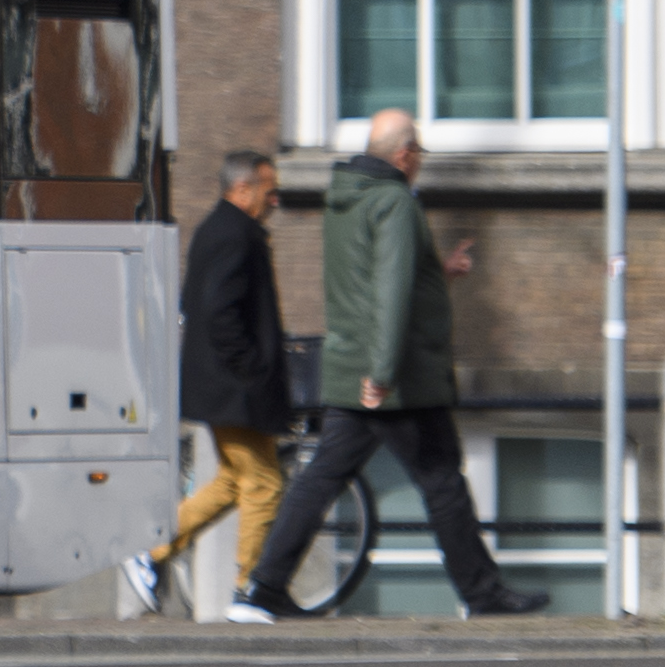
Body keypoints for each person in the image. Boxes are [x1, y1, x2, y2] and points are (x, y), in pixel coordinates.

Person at [243, 108, 552, 621]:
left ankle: (262, 588)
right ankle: (482, 594)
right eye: (421, 154)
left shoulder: (345, 199)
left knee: (321, 477)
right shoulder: (394, 203)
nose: (421, 164)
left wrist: (439, 270)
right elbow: (389, 293)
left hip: (351, 367)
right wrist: (382, 373)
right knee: (442, 481)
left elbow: (370, 278)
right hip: (396, 377)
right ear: (405, 154)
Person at [123, 149, 290, 616]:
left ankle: (152, 550)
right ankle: (248, 590)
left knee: (235, 482)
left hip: (224, 384)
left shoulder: (220, 231)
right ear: (243, 190)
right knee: (264, 484)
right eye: (269, 189)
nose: (275, 199)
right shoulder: (235, 235)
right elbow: (220, 313)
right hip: (234, 387)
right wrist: (252, 370)